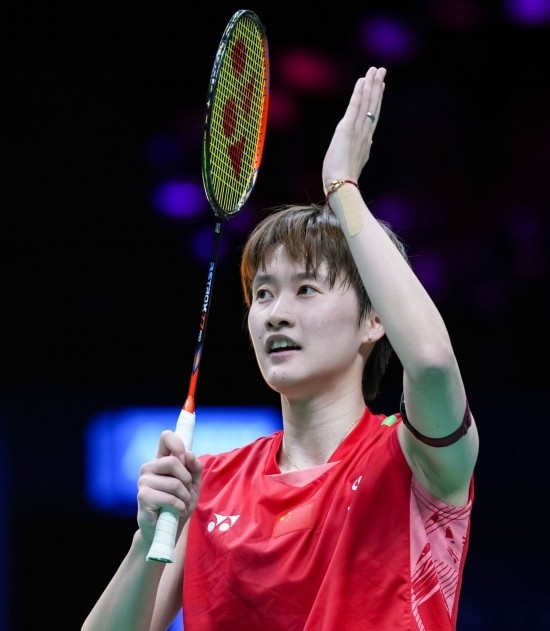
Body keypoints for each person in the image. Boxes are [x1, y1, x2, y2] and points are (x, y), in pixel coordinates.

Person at [82, 66, 479, 631]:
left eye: (307, 289)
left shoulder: (416, 464)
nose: (276, 313)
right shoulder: (208, 487)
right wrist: (147, 540)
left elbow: (433, 363)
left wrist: (342, 188)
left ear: (374, 320)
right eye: (263, 293)